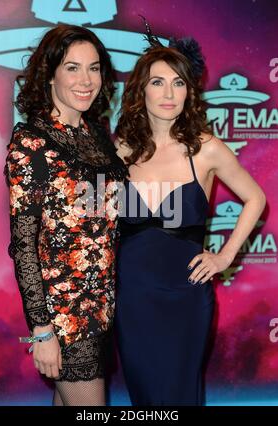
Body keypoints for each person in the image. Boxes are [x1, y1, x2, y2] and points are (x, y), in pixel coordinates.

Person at [114, 28, 266, 406]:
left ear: (189, 90)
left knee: (179, 396)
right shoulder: (120, 151)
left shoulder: (207, 149)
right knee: (146, 399)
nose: (168, 94)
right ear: (140, 90)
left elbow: (256, 198)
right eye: (158, 82)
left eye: (178, 83)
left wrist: (225, 256)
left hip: (186, 298)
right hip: (132, 299)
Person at [4, 24, 126, 406]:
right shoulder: (32, 143)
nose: (86, 80)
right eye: (72, 68)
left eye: (94, 68)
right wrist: (42, 330)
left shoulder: (97, 136)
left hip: (101, 308)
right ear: (50, 73)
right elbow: (24, 245)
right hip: (64, 318)